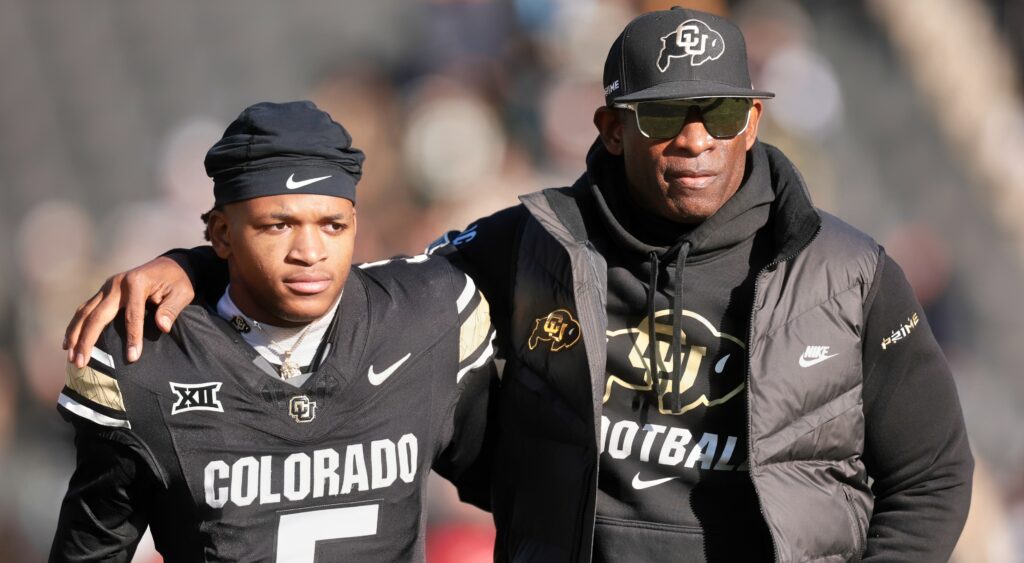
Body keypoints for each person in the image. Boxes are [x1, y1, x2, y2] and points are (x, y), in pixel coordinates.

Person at [63, 8, 973, 562]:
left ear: (753, 121)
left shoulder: (850, 273)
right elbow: (337, 279)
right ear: (610, 127)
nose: (695, 139)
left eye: (720, 112)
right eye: (663, 115)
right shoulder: (531, 243)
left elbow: (932, 474)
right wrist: (200, 262)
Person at [51, 101, 497, 562]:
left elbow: (526, 487)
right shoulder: (149, 357)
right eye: (279, 225)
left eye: (332, 225)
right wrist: (195, 265)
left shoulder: (428, 316)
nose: (309, 251)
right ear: (222, 234)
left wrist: (196, 264)